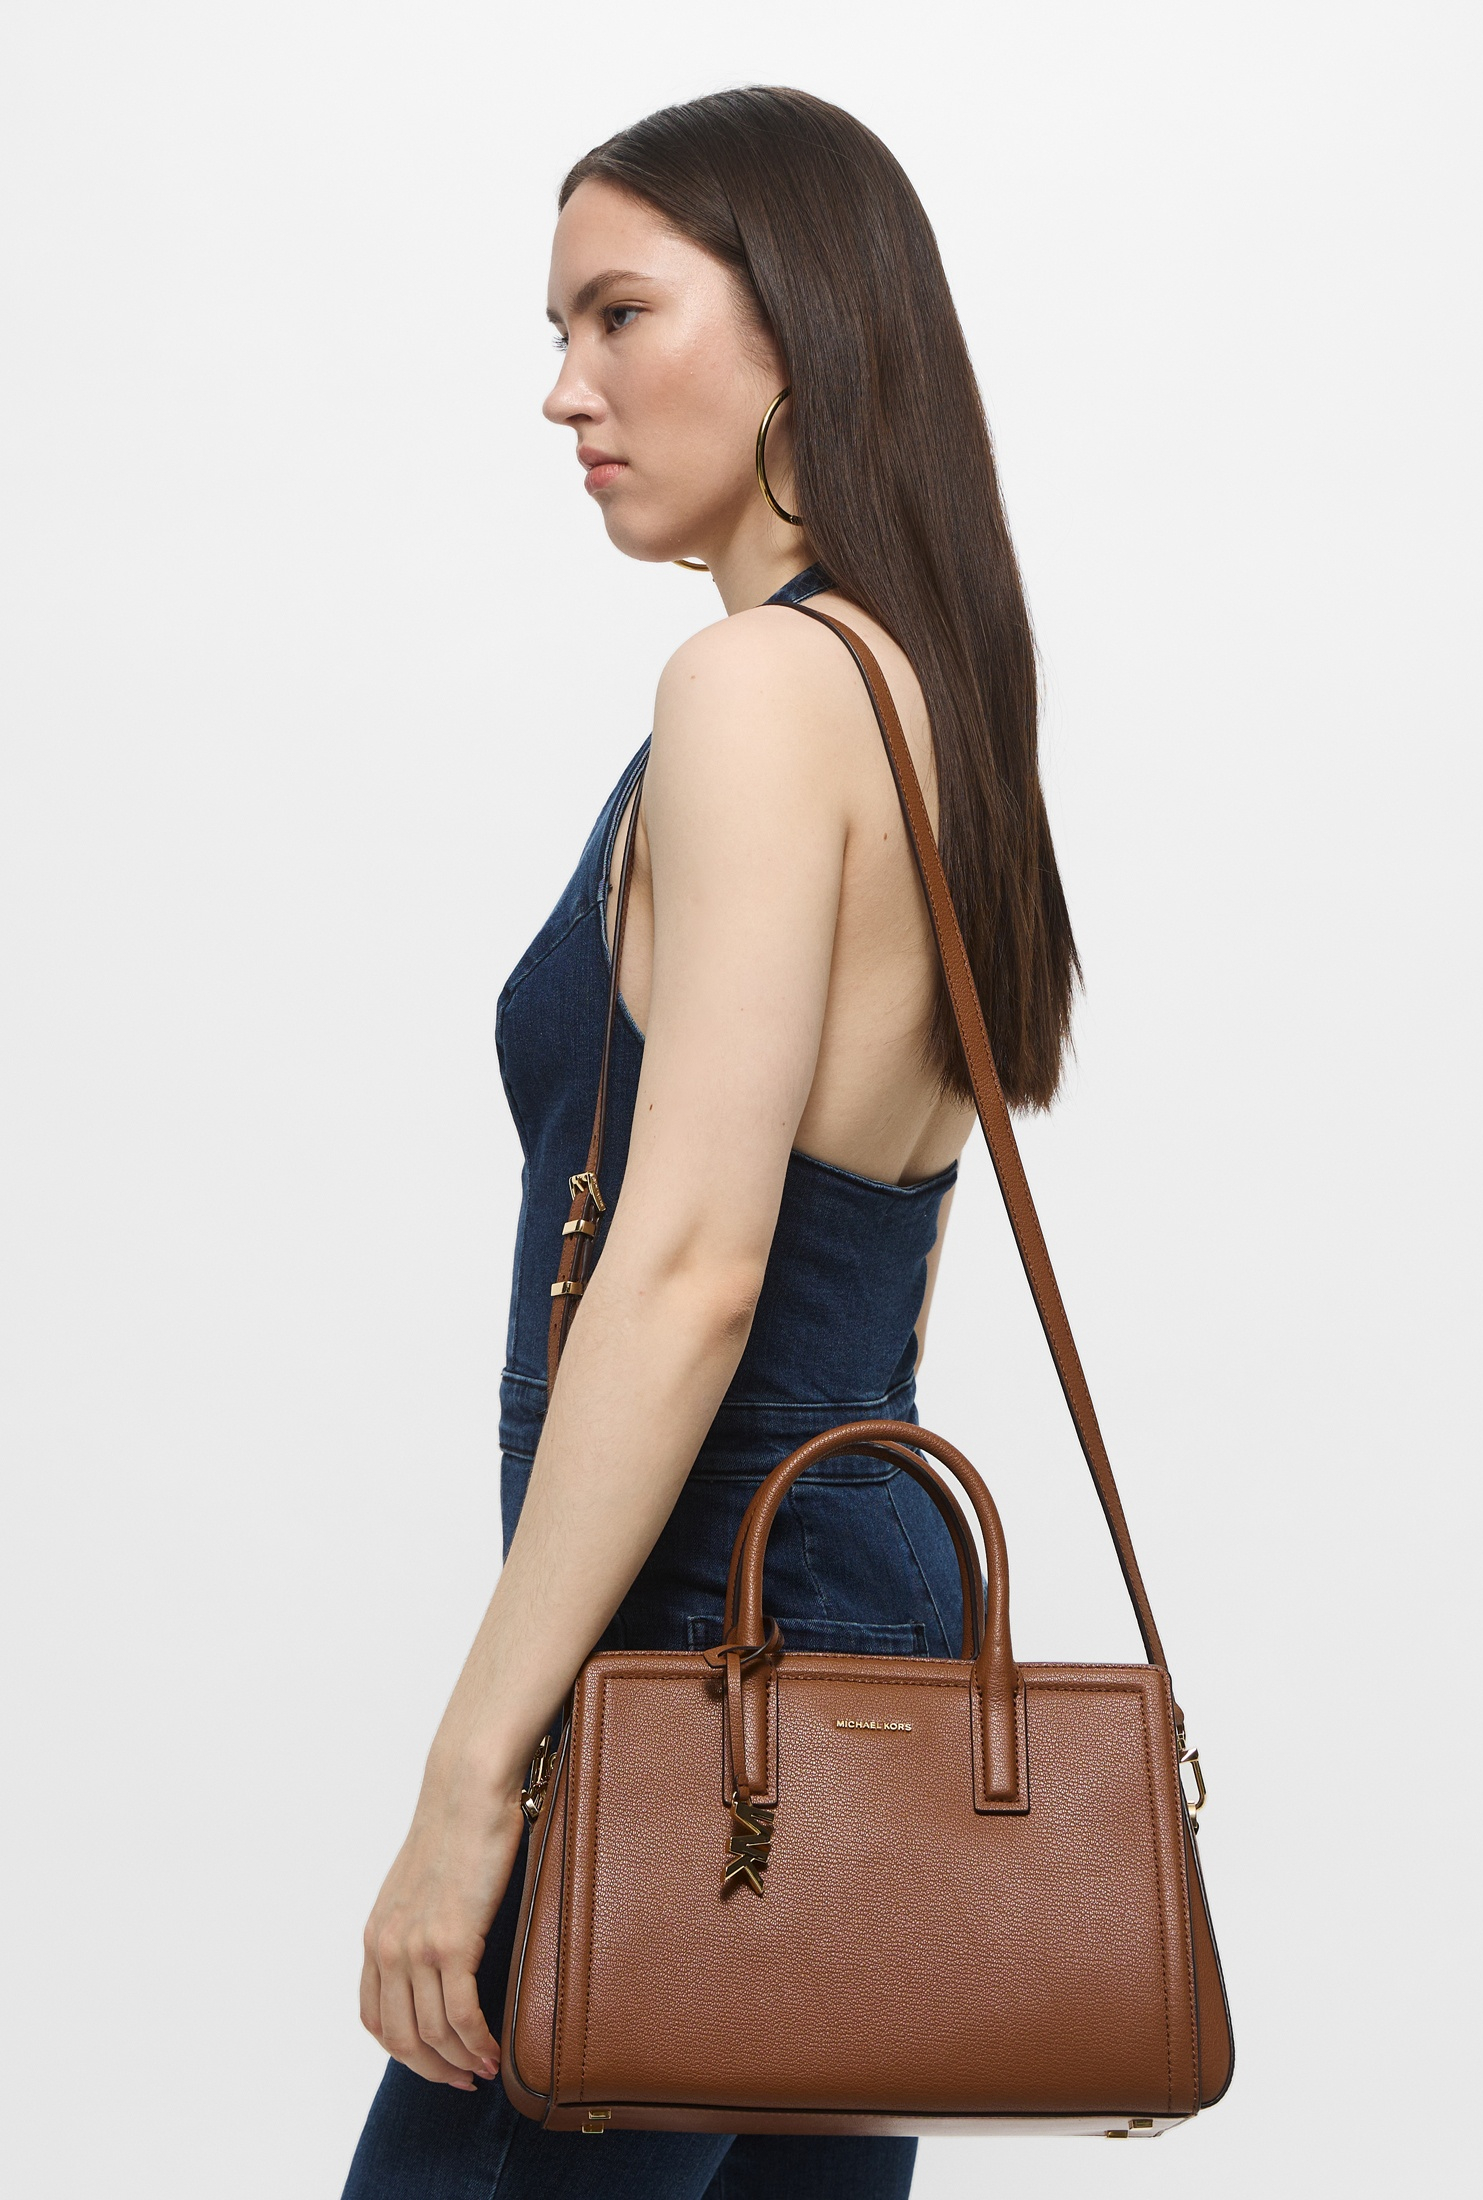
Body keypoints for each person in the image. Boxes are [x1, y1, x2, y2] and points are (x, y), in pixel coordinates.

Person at [342, 85, 1079, 2200]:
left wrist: (474, 1773)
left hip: (701, 1652)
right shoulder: (933, 692)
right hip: (866, 1626)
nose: (564, 389)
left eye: (619, 313)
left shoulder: (754, 689)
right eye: (558, 329)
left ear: (801, 326)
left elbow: (687, 1270)